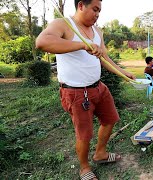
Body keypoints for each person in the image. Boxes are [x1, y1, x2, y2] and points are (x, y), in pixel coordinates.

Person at [35, 0, 135, 179]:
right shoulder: (63, 25)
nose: (98, 14)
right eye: (95, 9)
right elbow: (42, 42)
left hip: (98, 87)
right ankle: (84, 167)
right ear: (81, 5)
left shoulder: (97, 31)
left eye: (100, 11)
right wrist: (82, 45)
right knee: (84, 134)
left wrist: (124, 73)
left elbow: (104, 58)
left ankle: (100, 153)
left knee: (110, 119)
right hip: (76, 92)